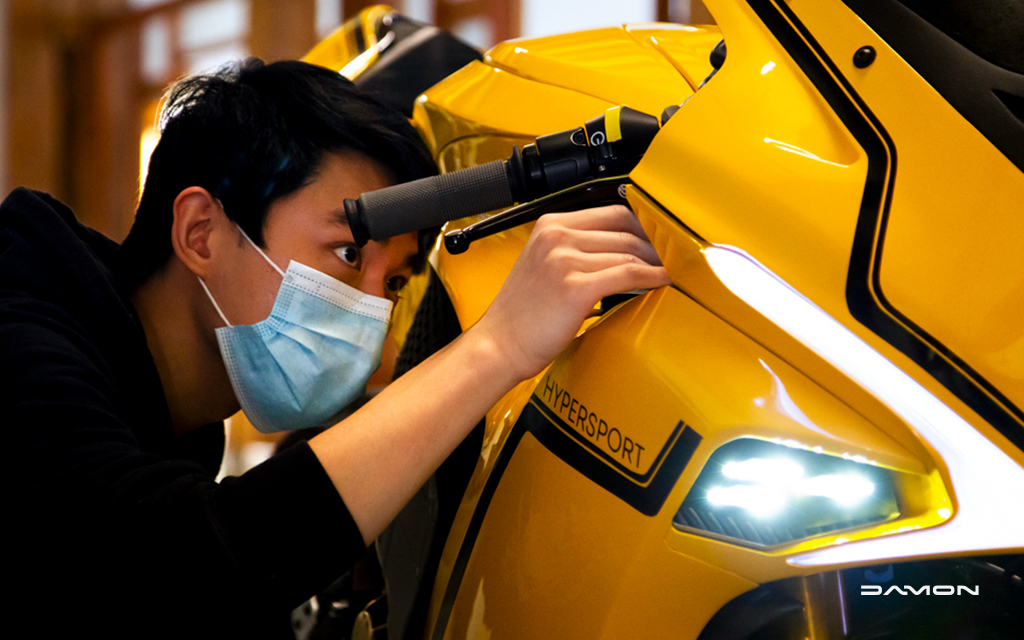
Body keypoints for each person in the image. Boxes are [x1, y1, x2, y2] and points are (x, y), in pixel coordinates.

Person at [1, 58, 669, 638]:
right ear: (201, 232)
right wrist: (498, 347)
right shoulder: (19, 335)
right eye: (348, 252)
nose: (372, 309)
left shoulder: (172, 434)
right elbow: (175, 574)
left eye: (396, 282)